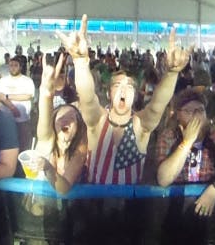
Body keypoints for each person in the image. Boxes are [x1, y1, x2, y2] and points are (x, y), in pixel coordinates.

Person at [59, 15, 191, 185]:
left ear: (135, 95)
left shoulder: (140, 124)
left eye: (129, 86)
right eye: (117, 85)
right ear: (108, 94)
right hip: (95, 200)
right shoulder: (98, 121)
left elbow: (157, 105)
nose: (123, 90)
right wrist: (80, 62)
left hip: (129, 201)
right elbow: (87, 97)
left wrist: (172, 73)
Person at [155, 88, 215, 217]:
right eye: (188, 111)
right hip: (175, 207)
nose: (195, 116)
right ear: (178, 115)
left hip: (208, 208)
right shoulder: (169, 137)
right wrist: (187, 143)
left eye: (200, 110)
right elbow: (163, 179)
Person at [33, 52, 89, 194]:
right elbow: (44, 120)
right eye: (61, 117)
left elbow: (63, 189)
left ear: (78, 128)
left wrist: (48, 168)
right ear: (53, 124)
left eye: (71, 118)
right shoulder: (46, 141)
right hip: (40, 206)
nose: (66, 120)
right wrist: (45, 94)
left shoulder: (79, 151)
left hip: (70, 207)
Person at [0, 56, 35, 149]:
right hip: (5, 118)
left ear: (20, 67)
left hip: (22, 119)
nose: (13, 68)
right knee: (6, 142)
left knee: (23, 142)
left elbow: (28, 96)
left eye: (16, 65)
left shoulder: (27, 80)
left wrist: (8, 96)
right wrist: (12, 108)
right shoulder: (3, 80)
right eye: (11, 65)